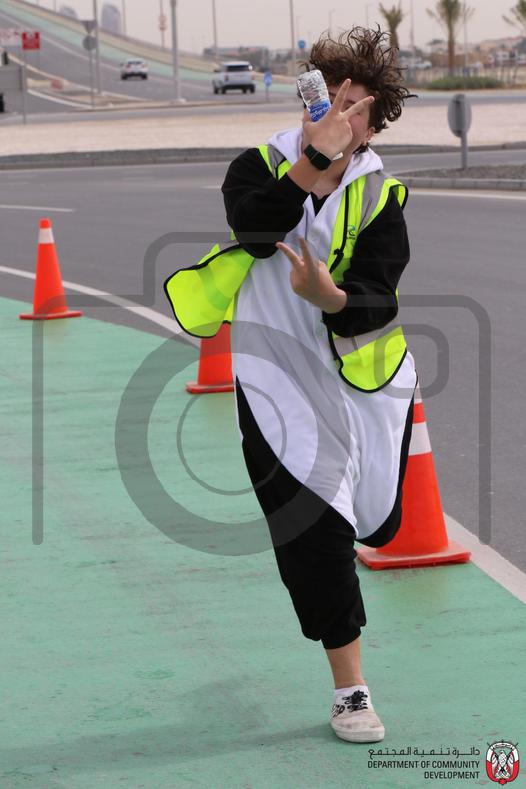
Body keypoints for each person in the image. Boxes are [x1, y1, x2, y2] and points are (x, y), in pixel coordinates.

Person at [165, 26, 417, 744]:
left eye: (354, 107)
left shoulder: (381, 193)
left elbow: (379, 293)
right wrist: (312, 160)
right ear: (309, 96)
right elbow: (253, 228)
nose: (338, 114)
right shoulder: (260, 165)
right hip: (274, 385)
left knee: (375, 518)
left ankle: (358, 562)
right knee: (314, 533)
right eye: (328, 97)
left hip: (361, 384)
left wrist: (330, 297)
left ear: (374, 123)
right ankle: (351, 689)